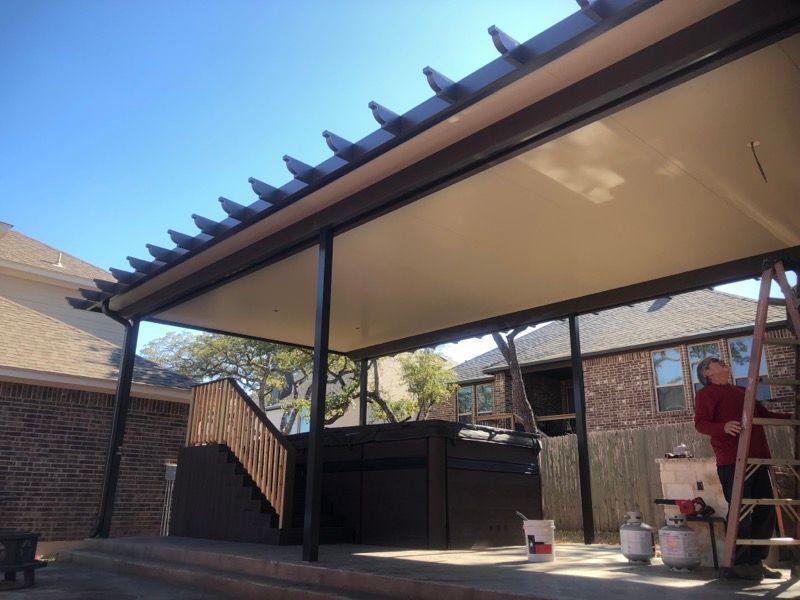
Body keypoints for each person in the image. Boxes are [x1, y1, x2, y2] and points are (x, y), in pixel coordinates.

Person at [694, 356, 787, 581]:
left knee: (765, 511)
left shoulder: (741, 391)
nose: (723, 362)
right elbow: (700, 424)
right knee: (741, 513)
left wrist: (791, 417)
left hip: (759, 459)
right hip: (732, 461)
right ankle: (739, 562)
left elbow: (764, 415)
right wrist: (723, 426)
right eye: (716, 362)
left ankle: (755, 562)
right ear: (708, 373)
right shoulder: (706, 394)